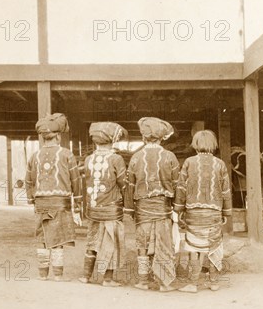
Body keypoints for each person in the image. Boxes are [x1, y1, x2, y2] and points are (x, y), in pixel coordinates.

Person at [125, 117, 180, 292]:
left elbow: (130, 186)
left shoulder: (135, 157)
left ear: (144, 137)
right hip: (163, 208)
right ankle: (163, 283)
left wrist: (129, 209)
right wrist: (177, 208)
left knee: (143, 243)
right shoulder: (170, 157)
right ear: (162, 137)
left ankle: (143, 281)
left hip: (142, 208)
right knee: (163, 243)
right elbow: (177, 184)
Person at [25, 113, 82, 281]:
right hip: (60, 203)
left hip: (41, 203)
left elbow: (29, 180)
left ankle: (43, 275)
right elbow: (76, 180)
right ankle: (58, 275)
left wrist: (32, 199)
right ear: (58, 136)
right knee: (58, 238)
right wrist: (78, 202)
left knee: (42, 237)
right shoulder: (67, 154)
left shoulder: (34, 156)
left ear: (43, 138)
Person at [174, 129, 232, 292]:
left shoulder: (189, 162)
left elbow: (181, 188)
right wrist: (226, 212)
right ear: (213, 145)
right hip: (214, 213)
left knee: (194, 247)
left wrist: (178, 210)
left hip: (194, 213)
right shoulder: (220, 164)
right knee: (213, 246)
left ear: (196, 144)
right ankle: (214, 282)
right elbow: (226, 190)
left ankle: (193, 283)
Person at [79, 122, 128, 287]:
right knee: (110, 242)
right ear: (112, 140)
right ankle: (107, 279)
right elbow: (122, 182)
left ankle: (86, 276)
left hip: (93, 207)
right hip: (111, 207)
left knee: (92, 240)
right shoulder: (116, 159)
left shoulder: (88, 159)